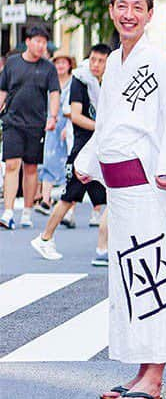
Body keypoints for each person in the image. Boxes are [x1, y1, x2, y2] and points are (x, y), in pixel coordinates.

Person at [73, 0, 166, 399]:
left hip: (146, 183)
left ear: (149, 14)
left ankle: (155, 376)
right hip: (119, 190)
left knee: (151, 273)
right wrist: (86, 164)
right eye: (121, 5)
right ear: (111, 10)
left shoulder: (159, 62)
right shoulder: (116, 64)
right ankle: (141, 368)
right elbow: (107, 125)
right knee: (127, 276)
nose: (128, 14)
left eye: (136, 7)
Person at [30, 45, 111, 263]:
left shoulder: (110, 80)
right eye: (93, 59)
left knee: (115, 198)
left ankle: (106, 248)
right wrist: (102, 127)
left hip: (102, 149)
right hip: (83, 151)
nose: (96, 64)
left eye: (101, 61)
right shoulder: (81, 81)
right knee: (69, 198)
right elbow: (75, 115)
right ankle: (45, 238)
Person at [0, 26, 60, 230]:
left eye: (44, 42)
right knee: (11, 164)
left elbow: (54, 93)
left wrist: (52, 117)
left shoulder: (48, 68)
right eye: (37, 41)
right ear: (28, 41)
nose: (41, 46)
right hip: (12, 122)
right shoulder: (13, 63)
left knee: (31, 167)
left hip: (36, 124)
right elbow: (3, 90)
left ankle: (26, 211)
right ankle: (8, 212)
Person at [37, 52, 74, 214]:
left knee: (68, 163)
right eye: (57, 62)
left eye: (63, 63)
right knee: (49, 159)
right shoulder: (50, 81)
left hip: (69, 125)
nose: (60, 66)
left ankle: (66, 201)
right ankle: (46, 200)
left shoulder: (74, 82)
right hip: (51, 124)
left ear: (69, 65)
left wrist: (70, 126)